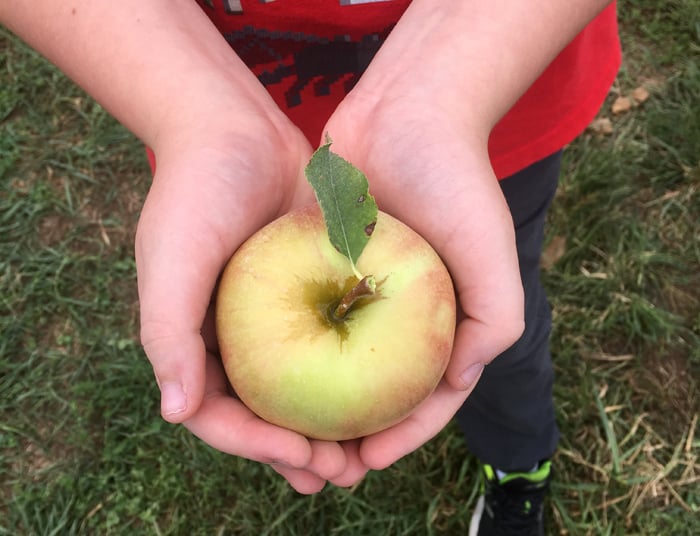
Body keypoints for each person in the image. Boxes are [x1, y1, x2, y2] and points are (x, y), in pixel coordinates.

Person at [0, 1, 621, 533]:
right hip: (224, 111)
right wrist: (197, 115)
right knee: (478, 330)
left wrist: (444, 89)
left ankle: (518, 461)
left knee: (493, 334)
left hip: (491, 94)